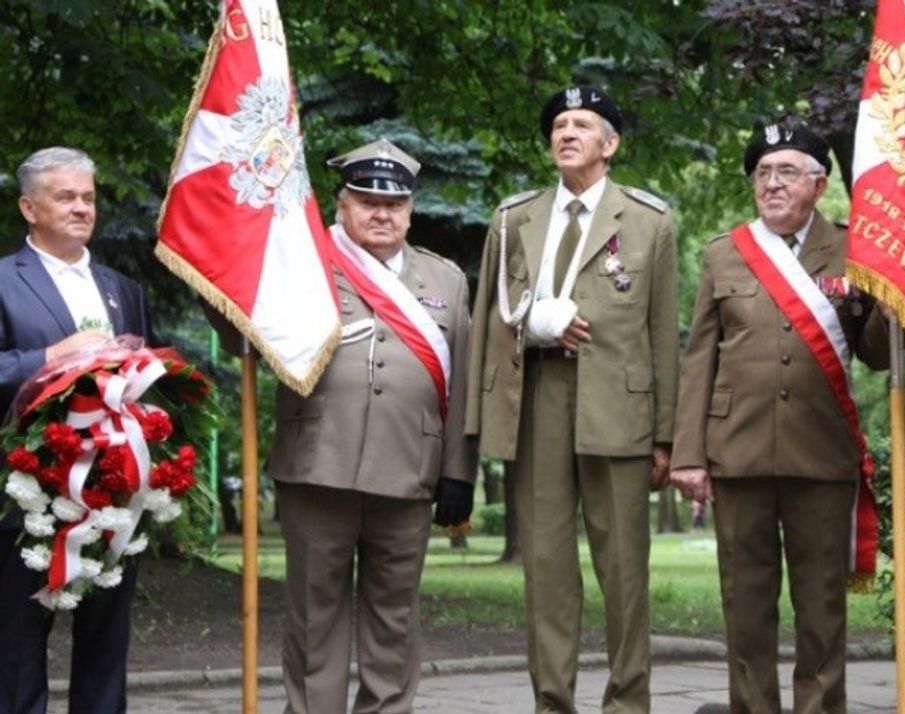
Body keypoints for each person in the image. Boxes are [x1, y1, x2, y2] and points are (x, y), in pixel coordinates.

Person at [465, 85, 678, 712]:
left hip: (620, 407)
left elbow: (663, 335)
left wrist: (667, 437)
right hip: (537, 400)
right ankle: (552, 703)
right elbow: (489, 318)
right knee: (547, 569)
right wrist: (531, 327)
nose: (567, 133)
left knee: (625, 571)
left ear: (610, 144)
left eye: (582, 125)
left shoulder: (650, 221)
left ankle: (627, 704)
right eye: (559, 125)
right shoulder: (513, 219)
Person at [670, 124, 889, 714]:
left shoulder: (855, 249)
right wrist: (688, 455)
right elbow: (700, 360)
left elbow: (878, 355)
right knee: (745, 605)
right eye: (762, 173)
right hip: (736, 452)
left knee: (821, 608)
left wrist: (891, 302)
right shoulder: (724, 252)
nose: (771, 184)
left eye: (786, 172)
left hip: (822, 453)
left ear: (818, 184)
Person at [266, 139, 476, 713]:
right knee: (313, 618)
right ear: (342, 206)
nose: (382, 214)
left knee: (394, 620)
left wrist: (459, 472)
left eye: (394, 204)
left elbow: (462, 380)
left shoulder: (446, 279)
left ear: (410, 211)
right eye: (367, 201)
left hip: (410, 472)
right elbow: (246, 331)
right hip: (318, 465)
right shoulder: (304, 261)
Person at [0, 146, 155, 714]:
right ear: (29, 208)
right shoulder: (3, 280)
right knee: (16, 646)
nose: (81, 208)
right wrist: (50, 355)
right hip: (28, 487)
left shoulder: (124, 289)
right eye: (65, 197)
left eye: (88, 197)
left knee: (107, 643)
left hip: (115, 489)